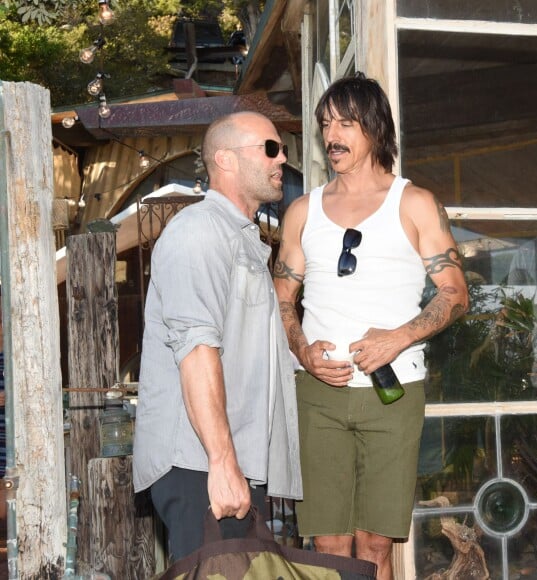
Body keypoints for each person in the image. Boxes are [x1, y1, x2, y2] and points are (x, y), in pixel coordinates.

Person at [273, 73, 469, 580]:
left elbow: (455, 294)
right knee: (329, 544)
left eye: (344, 123)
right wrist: (301, 350)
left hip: (394, 390)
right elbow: (280, 298)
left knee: (375, 545)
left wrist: (397, 336)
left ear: (375, 128)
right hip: (319, 393)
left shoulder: (415, 203)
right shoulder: (301, 211)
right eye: (324, 125)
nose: (331, 136)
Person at [133, 111, 302, 562]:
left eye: (281, 148)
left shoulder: (241, 238)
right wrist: (222, 462)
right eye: (269, 148)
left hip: (229, 460)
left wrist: (303, 357)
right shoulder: (199, 232)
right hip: (200, 463)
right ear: (225, 160)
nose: (281, 157)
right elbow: (196, 351)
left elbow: (247, 349)